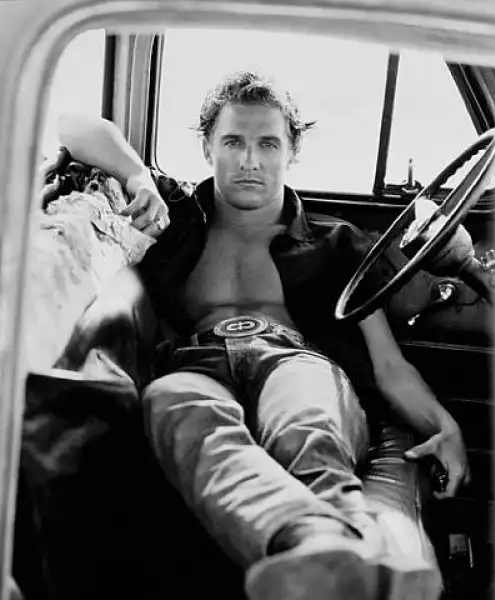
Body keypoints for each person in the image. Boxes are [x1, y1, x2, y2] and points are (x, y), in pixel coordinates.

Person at [58, 71, 469, 600]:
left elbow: (388, 366)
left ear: (291, 152)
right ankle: (325, 544)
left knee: (306, 420)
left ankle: (334, 543)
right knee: (172, 401)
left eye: (268, 144)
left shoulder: (337, 242)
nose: (249, 161)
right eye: (233, 142)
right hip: (195, 364)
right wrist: (136, 174)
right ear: (208, 148)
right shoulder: (176, 218)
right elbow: (73, 126)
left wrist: (443, 423)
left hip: (295, 360)